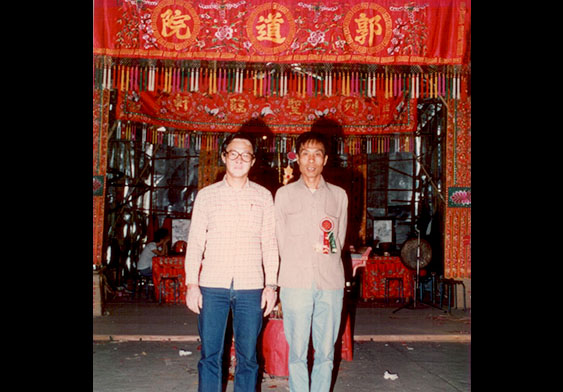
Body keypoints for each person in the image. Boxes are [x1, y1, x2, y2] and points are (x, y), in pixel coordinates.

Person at [184, 128, 279, 392]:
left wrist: (271, 285)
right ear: (224, 157)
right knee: (210, 356)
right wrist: (192, 284)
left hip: (251, 287)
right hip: (212, 286)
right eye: (233, 154)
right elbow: (195, 244)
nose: (238, 159)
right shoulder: (207, 196)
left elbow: (270, 244)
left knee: (248, 358)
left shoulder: (263, 196)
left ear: (253, 161)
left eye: (245, 155)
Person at [274, 129, 349, 392]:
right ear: (297, 158)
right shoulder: (283, 195)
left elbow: (338, 239)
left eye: (317, 154)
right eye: (305, 154)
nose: (311, 160)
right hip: (295, 282)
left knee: (326, 352)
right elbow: (279, 241)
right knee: (296, 352)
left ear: (326, 159)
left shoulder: (339, 196)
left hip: (330, 284)